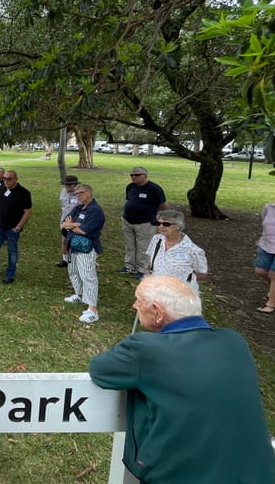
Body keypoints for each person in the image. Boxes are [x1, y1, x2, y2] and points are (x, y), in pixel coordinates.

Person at [89, 276, 275, 483]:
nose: (135, 305)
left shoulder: (144, 349)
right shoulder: (235, 341)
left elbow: (99, 369)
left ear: (158, 312)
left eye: (139, 301)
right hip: (257, 474)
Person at [62, 184, 106, 323]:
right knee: (73, 271)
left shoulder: (95, 211)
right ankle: (79, 294)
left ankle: (92, 309)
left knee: (88, 276)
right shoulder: (78, 208)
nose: (79, 195)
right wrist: (76, 225)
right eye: (76, 194)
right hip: (73, 245)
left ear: (89, 193)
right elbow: (64, 223)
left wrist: (72, 225)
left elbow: (85, 231)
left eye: (81, 193)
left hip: (86, 247)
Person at [146, 209, 207, 294]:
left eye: (166, 224)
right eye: (158, 223)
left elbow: (202, 274)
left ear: (178, 226)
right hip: (157, 290)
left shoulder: (193, 250)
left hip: (181, 294)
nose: (161, 226)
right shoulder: (156, 239)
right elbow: (150, 264)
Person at [121, 166, 167, 277]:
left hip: (145, 223)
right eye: (132, 175)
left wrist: (149, 212)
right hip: (127, 221)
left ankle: (143, 269)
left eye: (137, 175)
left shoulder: (154, 188)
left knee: (144, 247)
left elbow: (163, 206)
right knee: (130, 245)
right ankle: (129, 266)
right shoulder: (130, 187)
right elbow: (130, 200)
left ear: (145, 176)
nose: (134, 177)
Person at [0, 170, 32, 284]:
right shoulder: (1, 189)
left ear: (16, 179)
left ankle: (10, 275)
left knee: (12, 252)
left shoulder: (24, 193)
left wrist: (18, 227)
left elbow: (27, 212)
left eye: (9, 179)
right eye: (4, 178)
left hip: (12, 229)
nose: (6, 181)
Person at [255, 202, 275, 314]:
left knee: (273, 275)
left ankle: (271, 304)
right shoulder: (269, 208)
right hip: (267, 245)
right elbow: (264, 224)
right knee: (260, 271)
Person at [56, 175, 80, 267]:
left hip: (75, 222)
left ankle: (75, 261)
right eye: (66, 184)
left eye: (70, 185)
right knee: (64, 241)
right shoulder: (63, 191)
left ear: (75, 185)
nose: (67, 187)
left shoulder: (79, 193)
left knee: (74, 242)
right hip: (64, 220)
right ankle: (65, 260)